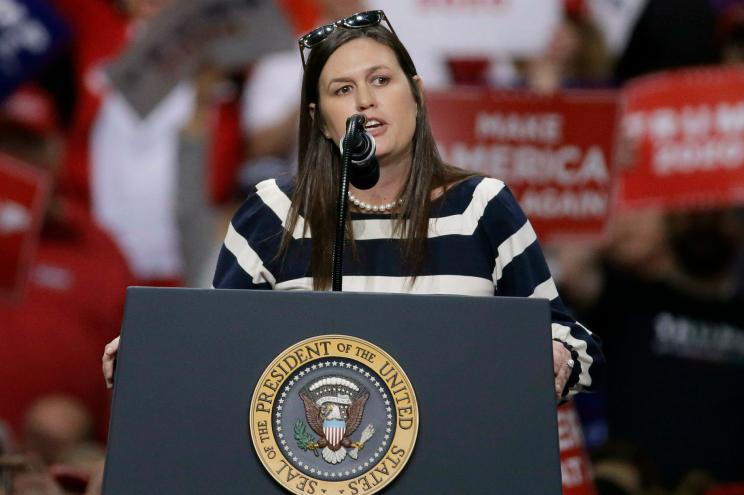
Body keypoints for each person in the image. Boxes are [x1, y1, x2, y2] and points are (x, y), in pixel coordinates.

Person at [103, 10, 604, 401]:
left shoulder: (482, 207)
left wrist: (557, 354)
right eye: (344, 89)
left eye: (381, 80)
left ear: (417, 95)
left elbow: (570, 337)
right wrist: (157, 350)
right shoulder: (272, 213)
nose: (366, 101)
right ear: (321, 120)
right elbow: (220, 349)